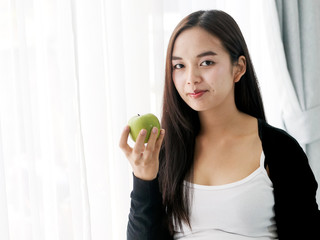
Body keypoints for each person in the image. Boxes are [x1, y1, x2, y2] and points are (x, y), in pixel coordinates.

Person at [119, 10, 320, 239]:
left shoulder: (279, 149)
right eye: (179, 66)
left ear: (239, 68)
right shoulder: (165, 153)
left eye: (206, 62)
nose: (191, 78)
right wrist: (144, 177)